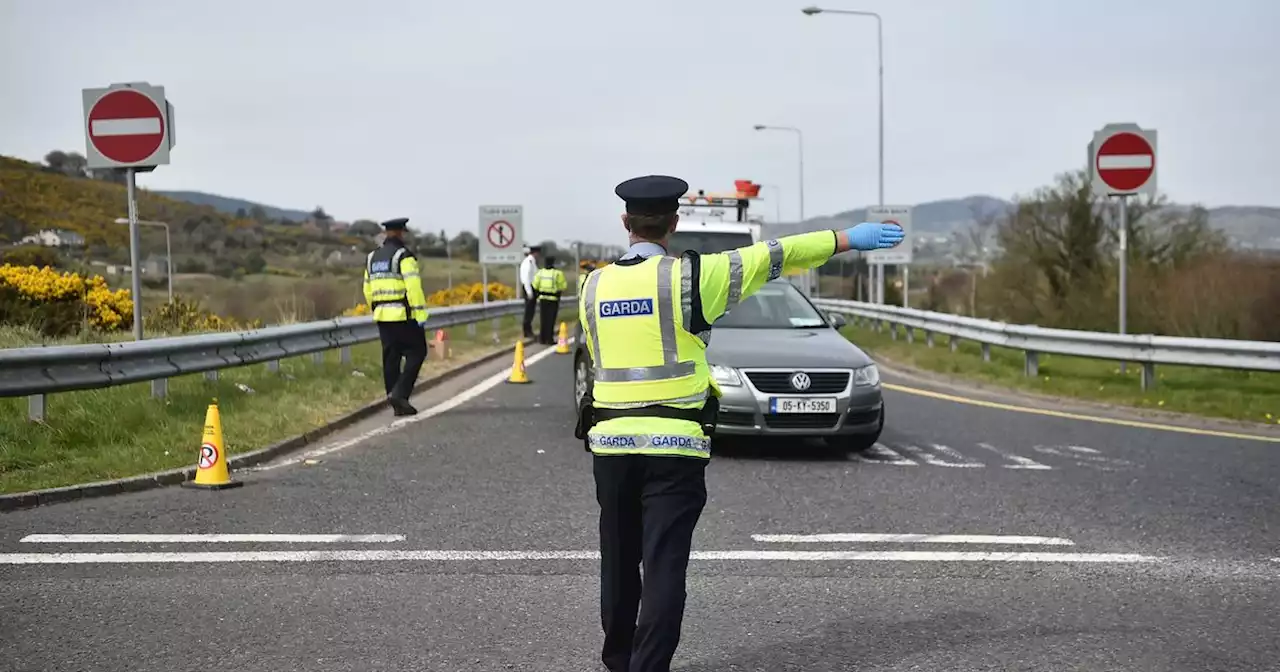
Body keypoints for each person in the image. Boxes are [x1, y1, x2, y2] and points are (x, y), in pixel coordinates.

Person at [576, 175, 904, 672]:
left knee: (619, 560)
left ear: (626, 223)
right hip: (675, 447)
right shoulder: (694, 278)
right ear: (674, 223)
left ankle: (618, 661)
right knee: (663, 563)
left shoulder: (592, 285)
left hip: (612, 446)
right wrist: (847, 238)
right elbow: (778, 254)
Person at [361, 217, 430, 416]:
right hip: (403, 315)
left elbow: (367, 288)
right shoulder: (404, 256)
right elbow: (413, 287)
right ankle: (400, 393)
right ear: (401, 233)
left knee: (391, 358)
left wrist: (375, 308)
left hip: (382, 316)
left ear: (385, 233)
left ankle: (395, 399)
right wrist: (420, 312)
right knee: (417, 352)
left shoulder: (371, 258)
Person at [532, 255, 567, 344]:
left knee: (543, 319)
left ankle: (542, 338)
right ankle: (549, 339)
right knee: (551, 320)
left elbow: (535, 285)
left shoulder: (540, 273)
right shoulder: (557, 273)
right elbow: (563, 286)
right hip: (553, 299)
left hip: (543, 299)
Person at [519, 245, 541, 339]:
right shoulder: (529, 262)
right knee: (528, 311)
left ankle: (529, 330)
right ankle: (527, 331)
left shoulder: (532, 262)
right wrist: (529, 292)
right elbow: (526, 278)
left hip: (531, 288)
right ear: (535, 253)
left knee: (531, 311)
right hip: (529, 287)